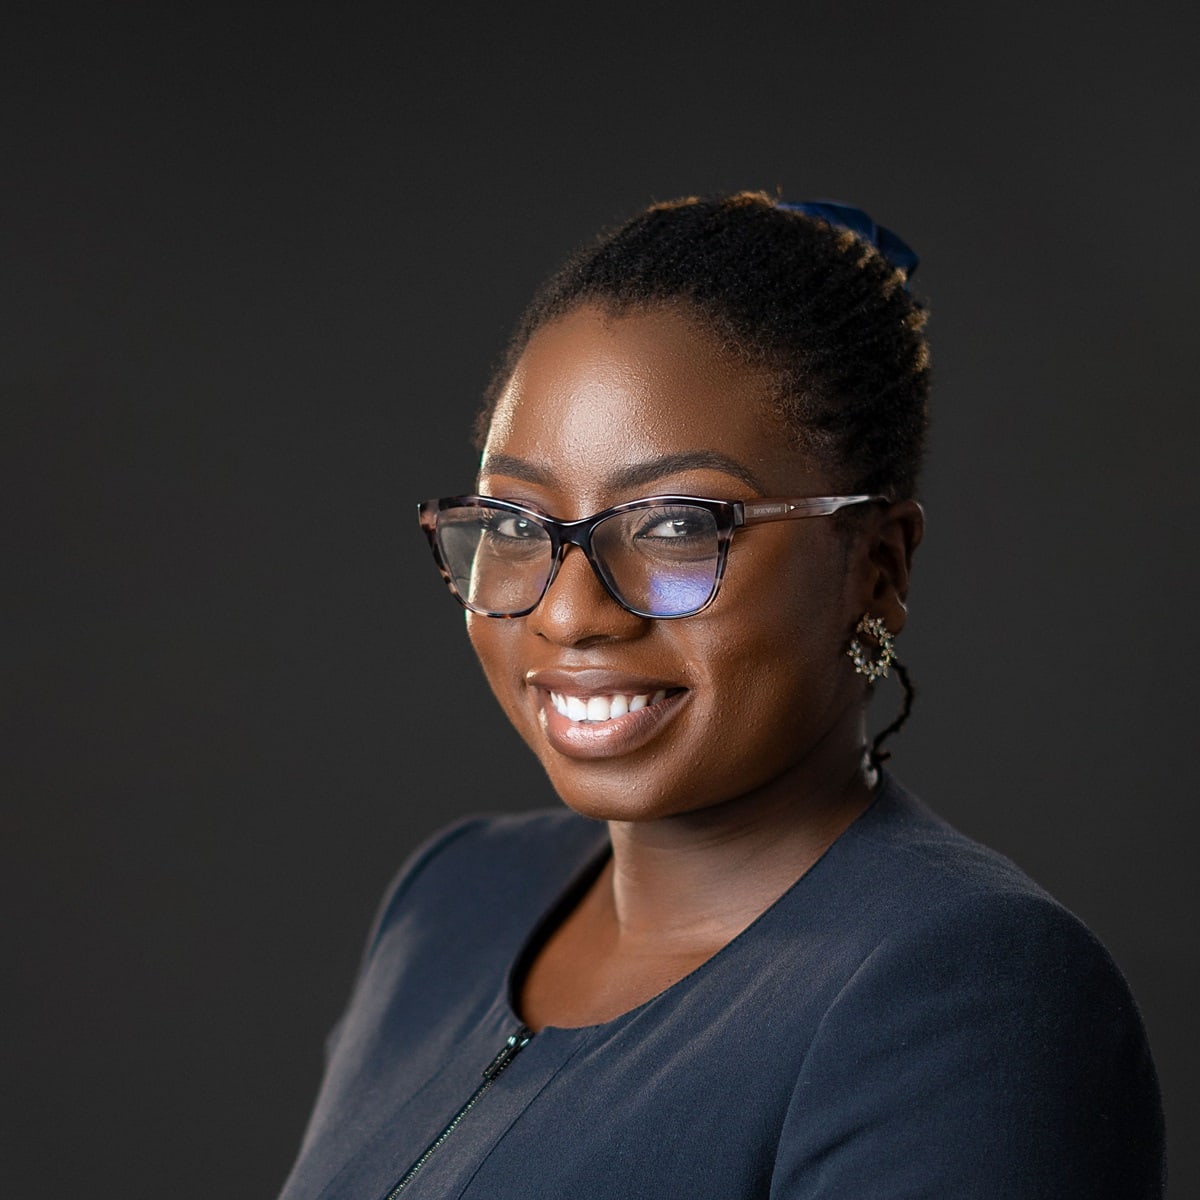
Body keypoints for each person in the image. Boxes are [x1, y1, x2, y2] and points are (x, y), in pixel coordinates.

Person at [278, 193, 1165, 1198]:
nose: (568, 614)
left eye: (675, 527)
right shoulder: (452, 902)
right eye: (517, 525)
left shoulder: (972, 996)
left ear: (877, 567)